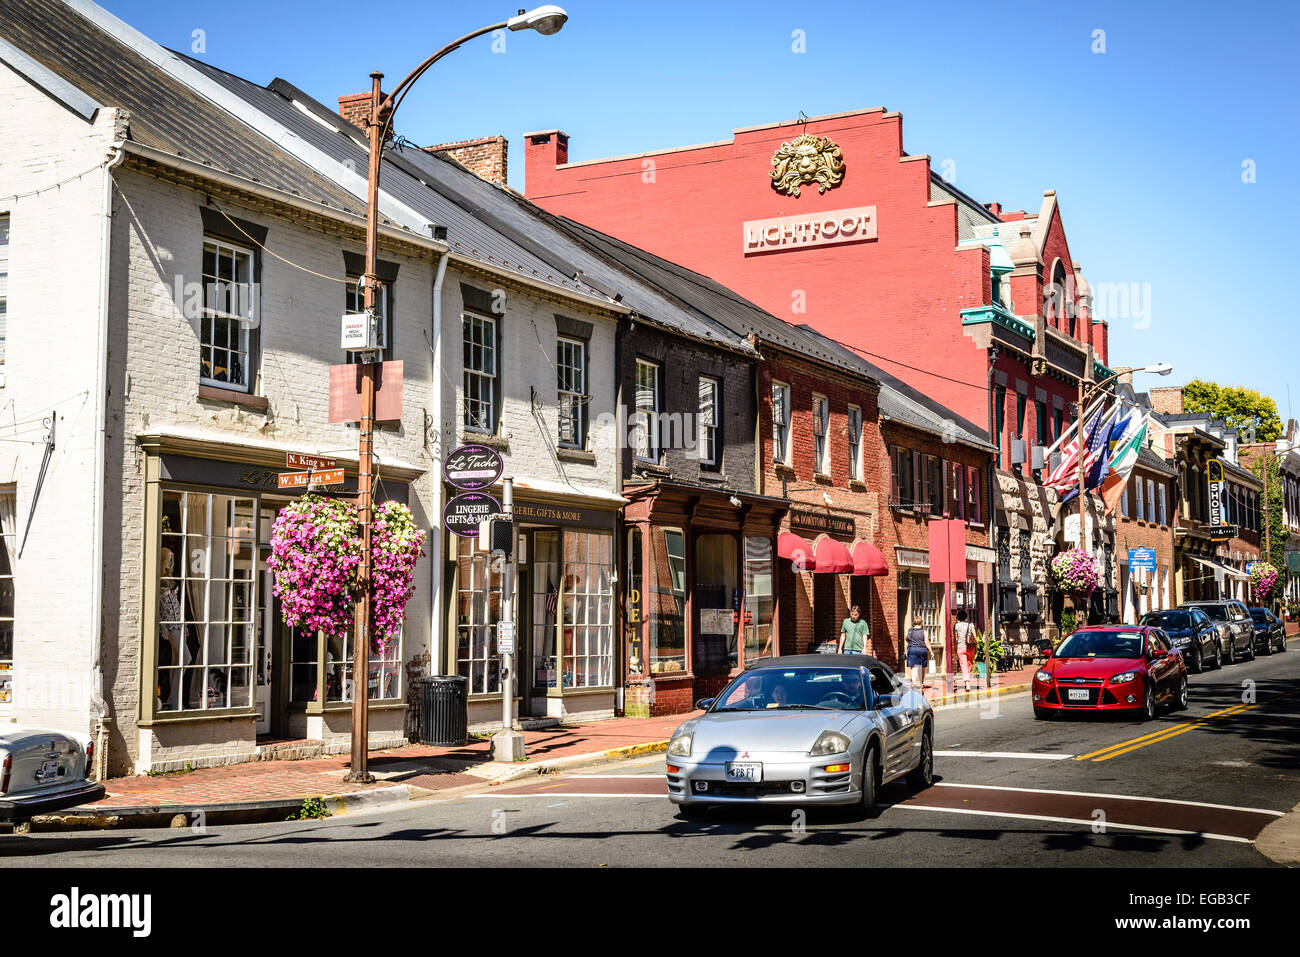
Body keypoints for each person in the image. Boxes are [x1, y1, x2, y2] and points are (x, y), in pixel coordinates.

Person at [953, 608, 978, 692]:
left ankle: (967, 683)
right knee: (969, 664)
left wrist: (956, 647)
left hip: (961, 647)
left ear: (958, 617)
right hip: (970, 647)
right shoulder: (970, 624)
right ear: (966, 617)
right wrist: (976, 646)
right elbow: (975, 636)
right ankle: (968, 681)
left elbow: (956, 638)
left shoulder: (956, 625)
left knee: (963, 665)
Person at [905, 616, 929, 688]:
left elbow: (906, 638)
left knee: (913, 667)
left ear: (914, 623)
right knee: (922, 667)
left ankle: (913, 683)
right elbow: (927, 642)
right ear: (921, 623)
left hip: (912, 649)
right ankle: (921, 683)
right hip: (922, 650)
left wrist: (910, 642)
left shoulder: (910, 630)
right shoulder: (923, 631)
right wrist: (931, 651)